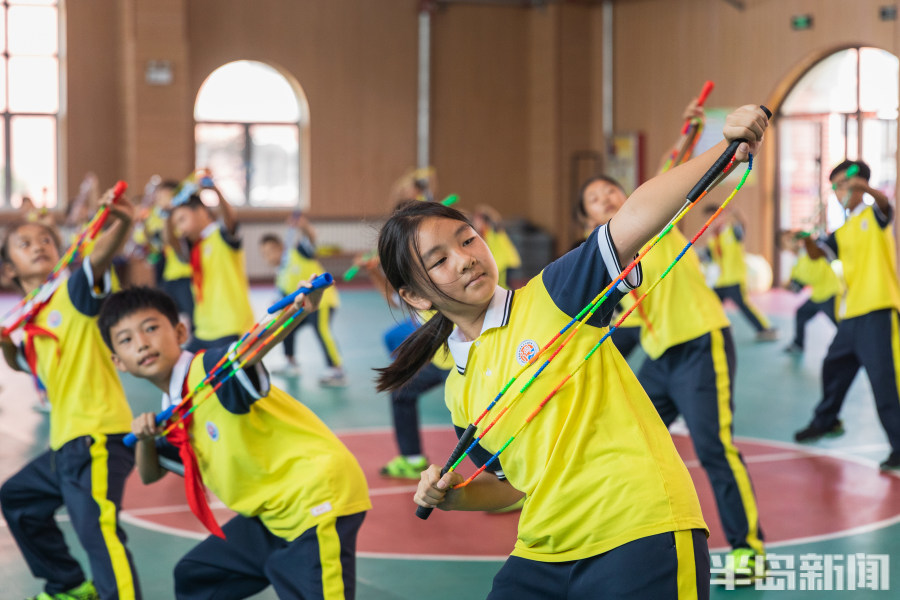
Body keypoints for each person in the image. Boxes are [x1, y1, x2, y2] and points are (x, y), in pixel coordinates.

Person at [377, 104, 769, 598]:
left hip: (639, 533)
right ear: (413, 295)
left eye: (468, 239)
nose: (465, 259)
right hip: (542, 555)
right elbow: (510, 484)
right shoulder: (459, 388)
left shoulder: (557, 292)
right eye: (439, 260)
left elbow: (634, 215)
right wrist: (454, 497)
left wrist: (726, 150)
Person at [576, 102, 766, 577]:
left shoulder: (658, 219)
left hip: (701, 341)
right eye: (595, 199)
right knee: (629, 440)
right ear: (588, 219)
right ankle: (625, 533)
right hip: (660, 358)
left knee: (713, 448)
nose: (606, 198)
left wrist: (692, 130)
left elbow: (671, 167)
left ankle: (750, 551)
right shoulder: (601, 258)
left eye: (610, 190)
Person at [100, 286, 370, 599]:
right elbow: (150, 474)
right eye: (127, 340)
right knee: (197, 576)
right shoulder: (173, 409)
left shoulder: (209, 370)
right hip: (272, 514)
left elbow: (252, 349)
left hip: (313, 499)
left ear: (180, 331)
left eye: (150, 328)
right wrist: (146, 440)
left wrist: (298, 310)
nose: (142, 343)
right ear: (119, 362)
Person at [0, 188, 141, 600]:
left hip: (97, 435)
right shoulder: (28, 320)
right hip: (66, 443)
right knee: (18, 499)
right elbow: (26, 363)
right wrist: (8, 344)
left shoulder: (73, 294)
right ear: (10, 269)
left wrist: (125, 223)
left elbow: (97, 258)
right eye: (25, 244)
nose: (39, 246)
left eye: (45, 240)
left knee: (99, 533)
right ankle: (69, 586)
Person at [794, 160, 900, 470]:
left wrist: (863, 187)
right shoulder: (841, 231)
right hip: (851, 313)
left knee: (884, 383)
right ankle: (826, 421)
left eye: (843, 184)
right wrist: (807, 239)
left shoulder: (876, 215)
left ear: (858, 184)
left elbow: (885, 204)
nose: (840, 191)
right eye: (837, 186)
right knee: (833, 366)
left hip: (878, 309)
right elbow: (818, 254)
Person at [258, 213, 346, 385]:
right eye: (264, 254)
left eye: (270, 251)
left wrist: (303, 225)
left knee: (321, 330)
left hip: (322, 300)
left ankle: (337, 370)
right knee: (286, 327)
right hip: (304, 306)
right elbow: (284, 295)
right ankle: (291, 363)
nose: (268, 257)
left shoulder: (298, 253)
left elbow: (311, 238)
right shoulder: (280, 273)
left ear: (280, 247)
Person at [167, 179, 254, 352]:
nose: (180, 229)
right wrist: (165, 216)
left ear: (201, 212)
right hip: (204, 329)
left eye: (182, 220)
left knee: (224, 378)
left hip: (229, 326)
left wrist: (215, 190)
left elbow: (230, 220)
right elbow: (172, 242)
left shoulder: (222, 236)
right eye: (176, 225)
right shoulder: (195, 247)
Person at [705, 207, 778, 341]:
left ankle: (765, 329)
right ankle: (720, 329)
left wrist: (735, 215)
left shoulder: (733, 231)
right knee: (712, 306)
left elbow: (741, 226)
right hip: (720, 281)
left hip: (735, 278)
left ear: (723, 217)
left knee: (743, 306)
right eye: (710, 219)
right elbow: (710, 258)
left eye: (716, 217)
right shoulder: (712, 239)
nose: (714, 221)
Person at [782, 231, 841, 354]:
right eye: (787, 241)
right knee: (801, 313)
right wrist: (791, 287)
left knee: (841, 325)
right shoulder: (796, 262)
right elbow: (798, 286)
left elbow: (816, 258)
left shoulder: (809, 250)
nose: (791, 242)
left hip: (830, 293)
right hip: (816, 295)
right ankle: (798, 344)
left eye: (791, 238)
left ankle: (851, 346)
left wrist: (806, 237)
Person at [471, 205, 522, 289]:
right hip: (505, 261)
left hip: (503, 262)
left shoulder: (489, 231)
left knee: (502, 286)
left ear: (482, 220)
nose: (475, 222)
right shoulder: (494, 229)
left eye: (476, 219)